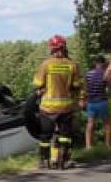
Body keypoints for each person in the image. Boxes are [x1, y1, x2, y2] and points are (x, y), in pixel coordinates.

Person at [33, 35, 84, 169]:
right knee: (65, 136)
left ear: (52, 48)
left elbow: (38, 83)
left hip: (48, 108)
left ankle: (45, 161)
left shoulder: (46, 64)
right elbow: (77, 84)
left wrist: (41, 88)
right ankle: (64, 160)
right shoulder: (72, 65)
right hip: (65, 107)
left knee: (45, 136)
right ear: (64, 47)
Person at [81, 55, 111, 149]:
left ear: (95, 63)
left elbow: (85, 88)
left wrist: (83, 99)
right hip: (102, 102)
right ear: (103, 63)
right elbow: (110, 86)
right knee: (107, 124)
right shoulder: (105, 74)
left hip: (91, 103)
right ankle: (108, 145)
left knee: (90, 124)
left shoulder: (88, 74)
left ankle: (88, 146)